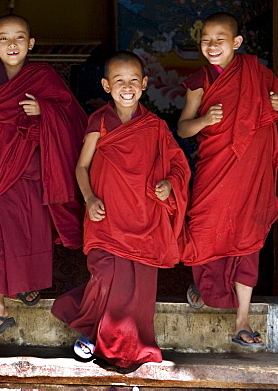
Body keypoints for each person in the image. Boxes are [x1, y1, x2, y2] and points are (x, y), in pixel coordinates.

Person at [51, 51, 190, 374]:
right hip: (106, 215)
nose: (126, 87)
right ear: (106, 85)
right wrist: (89, 199)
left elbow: (177, 166)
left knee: (138, 287)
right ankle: (93, 330)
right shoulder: (99, 120)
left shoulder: (154, 126)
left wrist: (169, 184)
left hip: (144, 218)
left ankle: (127, 347)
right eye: (118, 81)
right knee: (106, 276)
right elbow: (82, 166)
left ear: (143, 84)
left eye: (132, 81)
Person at [0, 14, 86, 343]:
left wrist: (45, 111)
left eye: (19, 37)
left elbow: (73, 117)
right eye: (5, 39)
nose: (12, 44)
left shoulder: (43, 76)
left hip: (30, 168)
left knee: (30, 228)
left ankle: (25, 283)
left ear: (31, 43)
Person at [177, 12, 278, 349]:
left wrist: (274, 104)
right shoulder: (200, 81)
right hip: (215, 167)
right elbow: (183, 128)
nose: (212, 45)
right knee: (205, 228)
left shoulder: (257, 74)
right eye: (206, 39)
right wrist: (206, 119)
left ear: (236, 43)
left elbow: (266, 110)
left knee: (247, 236)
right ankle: (203, 286)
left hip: (250, 171)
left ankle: (242, 319)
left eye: (219, 39)